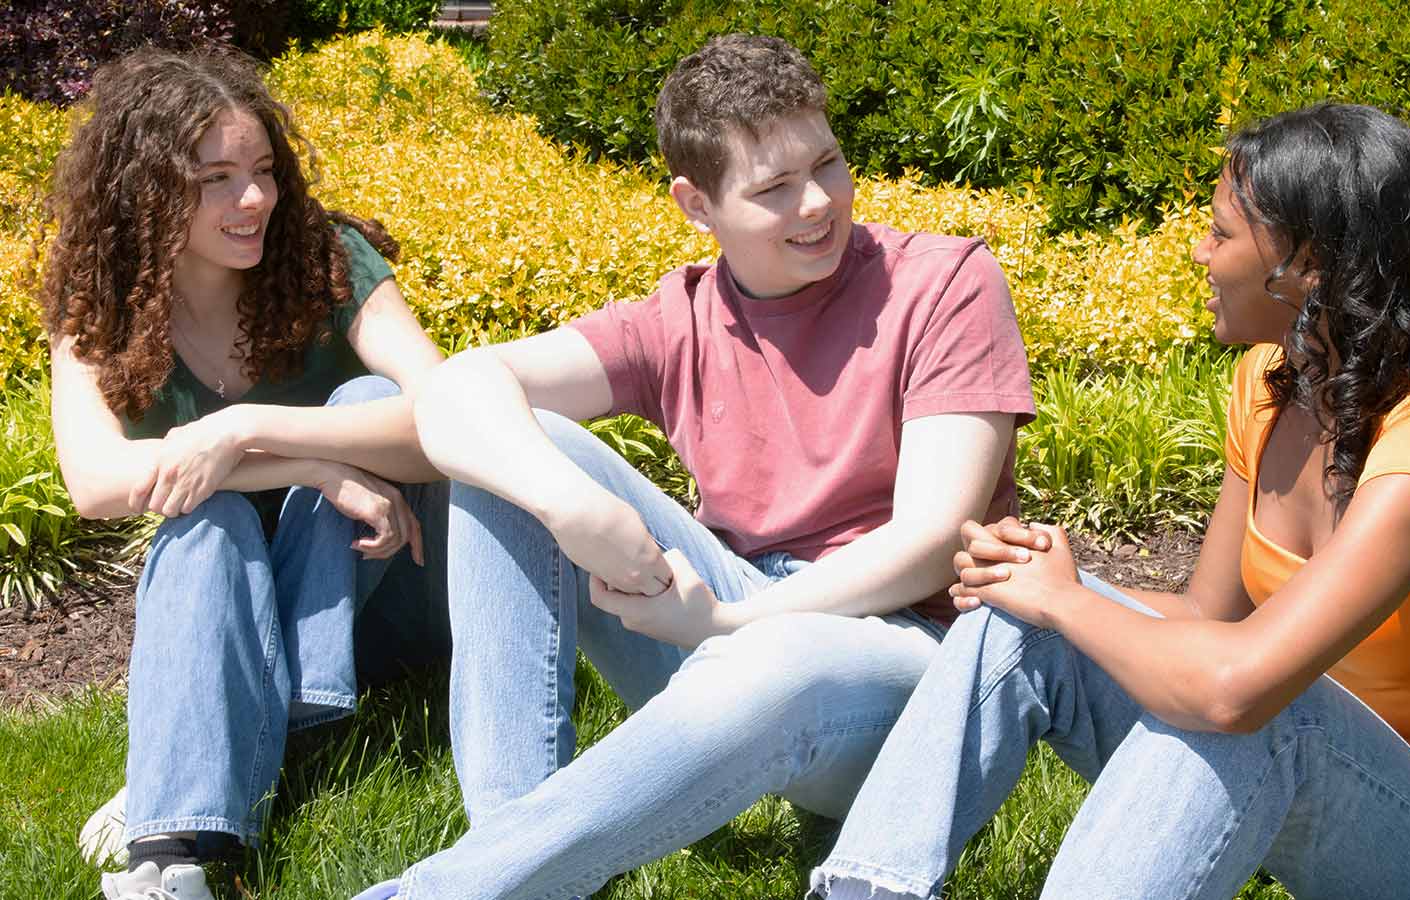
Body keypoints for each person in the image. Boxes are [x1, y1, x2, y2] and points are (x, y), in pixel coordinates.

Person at [810, 103, 1410, 900]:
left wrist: (1070, 605)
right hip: (1306, 764)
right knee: (1019, 611)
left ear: (1308, 264)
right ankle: (868, 888)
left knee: (1258, 709)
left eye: (1220, 233)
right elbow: (1211, 617)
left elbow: (1235, 690)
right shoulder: (1272, 387)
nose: (1201, 255)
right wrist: (1035, 588)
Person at [353, 33, 1034, 900]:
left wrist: (725, 628)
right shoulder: (680, 317)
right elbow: (459, 389)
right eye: (774, 189)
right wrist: (572, 508)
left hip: (904, 666)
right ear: (695, 202)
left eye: (827, 164)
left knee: (778, 661)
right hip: (727, 615)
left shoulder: (943, 284)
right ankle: (519, 848)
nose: (818, 203)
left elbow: (932, 544)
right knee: (522, 453)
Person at [38, 47, 451, 900]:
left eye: (262, 170)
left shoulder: (325, 257)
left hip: (388, 584)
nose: (254, 198)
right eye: (215, 178)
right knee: (204, 519)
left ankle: (200, 759)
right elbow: (96, 481)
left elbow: (444, 417)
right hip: (235, 604)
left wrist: (244, 428)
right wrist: (311, 463)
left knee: (366, 397)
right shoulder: (99, 306)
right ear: (145, 192)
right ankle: (175, 863)